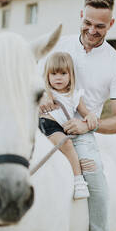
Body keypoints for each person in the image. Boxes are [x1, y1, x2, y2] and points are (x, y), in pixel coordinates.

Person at [39, 0, 116, 231]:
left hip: (82, 135)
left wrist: (88, 124)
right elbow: (33, 79)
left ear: (111, 24)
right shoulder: (58, 45)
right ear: (81, 16)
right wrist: (41, 96)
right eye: (87, 23)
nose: (92, 30)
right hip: (44, 123)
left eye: (100, 26)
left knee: (97, 180)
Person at [39, 52, 98, 200]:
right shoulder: (47, 92)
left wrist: (90, 116)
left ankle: (77, 180)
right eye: (54, 73)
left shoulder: (75, 95)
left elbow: (85, 112)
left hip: (63, 128)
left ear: (71, 75)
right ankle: (79, 181)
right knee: (66, 144)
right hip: (47, 124)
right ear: (47, 76)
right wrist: (44, 95)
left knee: (69, 146)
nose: (58, 77)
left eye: (63, 73)